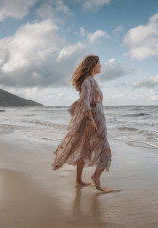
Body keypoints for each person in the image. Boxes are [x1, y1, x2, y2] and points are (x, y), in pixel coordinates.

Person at [52, 55, 114, 192]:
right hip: (95, 120)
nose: (101, 66)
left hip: (94, 118)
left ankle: (79, 180)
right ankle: (96, 177)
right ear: (92, 65)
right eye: (99, 63)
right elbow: (85, 102)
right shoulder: (88, 81)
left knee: (84, 147)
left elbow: (84, 101)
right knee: (105, 150)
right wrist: (91, 120)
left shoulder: (90, 81)